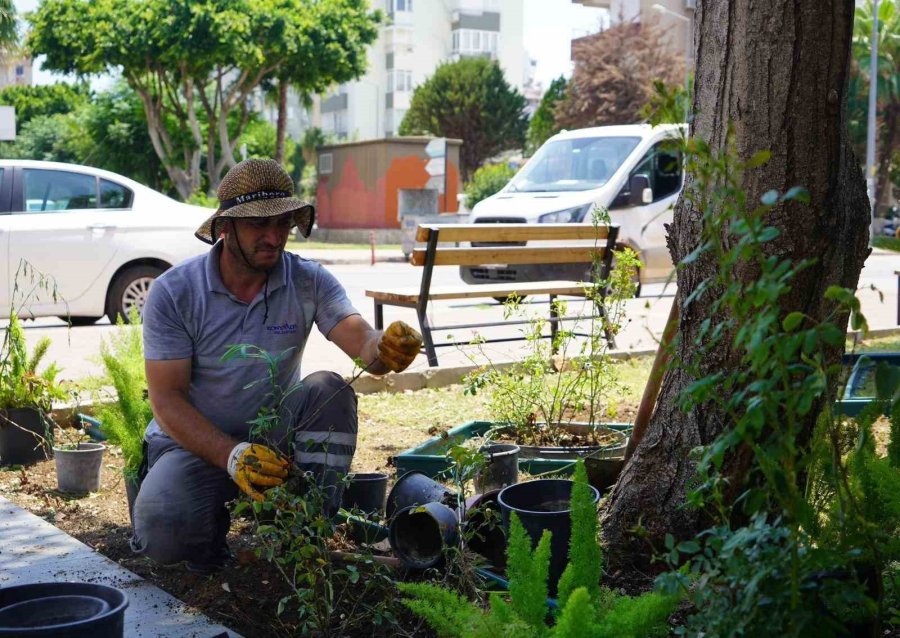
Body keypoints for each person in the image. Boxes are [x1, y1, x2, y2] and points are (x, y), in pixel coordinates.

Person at [130, 158, 422, 572]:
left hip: (275, 434)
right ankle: (208, 538)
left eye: (283, 223)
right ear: (225, 227)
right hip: (194, 444)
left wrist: (385, 347)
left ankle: (303, 534)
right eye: (257, 225)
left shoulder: (308, 279)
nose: (273, 237)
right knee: (163, 532)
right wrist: (231, 455)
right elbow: (166, 398)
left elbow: (362, 343)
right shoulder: (175, 292)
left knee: (329, 389)